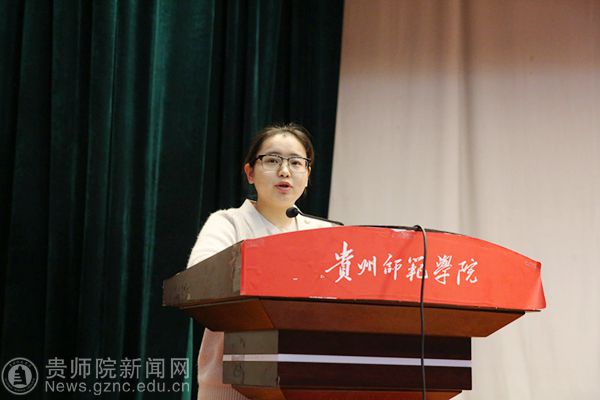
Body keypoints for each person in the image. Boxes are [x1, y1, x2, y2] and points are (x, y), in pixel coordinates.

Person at [187, 123, 333, 400]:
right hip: (230, 388)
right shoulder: (227, 223)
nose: (285, 171)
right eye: (272, 160)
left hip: (304, 384)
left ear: (308, 175)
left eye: (296, 162)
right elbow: (198, 279)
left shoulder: (324, 234)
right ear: (250, 173)